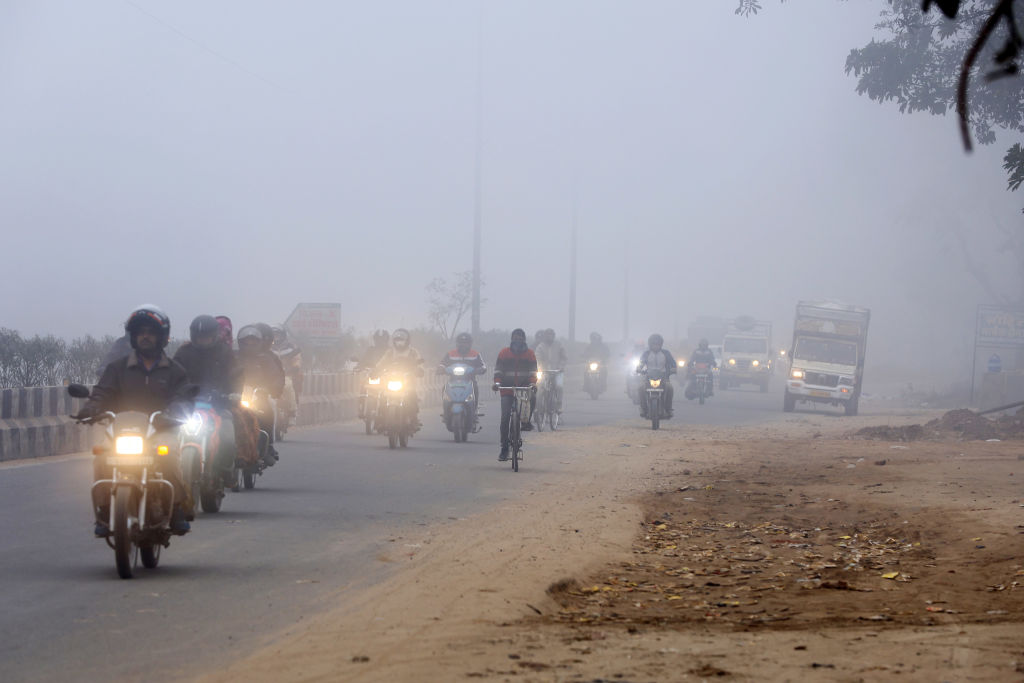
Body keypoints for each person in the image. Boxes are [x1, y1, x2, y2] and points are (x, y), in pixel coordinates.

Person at [75, 305, 193, 536]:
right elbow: (102, 392)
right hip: (123, 431)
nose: (145, 336)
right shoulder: (117, 368)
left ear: (162, 337)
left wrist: (175, 411)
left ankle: (177, 507)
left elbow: (184, 396)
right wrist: (91, 407)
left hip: (160, 429)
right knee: (101, 456)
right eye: (141, 332)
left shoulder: (175, 371)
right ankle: (105, 510)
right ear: (133, 336)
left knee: (167, 454)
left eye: (150, 332)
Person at [236, 324, 286, 464]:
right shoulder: (233, 357)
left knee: (268, 412)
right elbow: (223, 374)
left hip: (258, 397)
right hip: (235, 397)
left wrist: (271, 389)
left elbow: (276, 377)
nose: (250, 344)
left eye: (253, 341)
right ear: (240, 342)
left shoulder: (267, 358)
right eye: (247, 341)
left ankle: (268, 444)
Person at [492, 329, 537, 461]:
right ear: (512, 339)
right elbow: (498, 370)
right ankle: (504, 448)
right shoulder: (504, 353)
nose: (518, 340)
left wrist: (533, 384)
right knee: (505, 418)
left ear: (524, 339)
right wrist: (497, 383)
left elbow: (533, 371)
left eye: (520, 338)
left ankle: (526, 421)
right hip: (507, 389)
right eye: (515, 338)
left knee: (533, 398)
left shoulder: (530, 354)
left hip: (523, 389)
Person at [374, 328, 424, 427]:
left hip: (408, 382)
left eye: (401, 340)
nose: (399, 342)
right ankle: (380, 419)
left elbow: (419, 363)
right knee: (382, 397)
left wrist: (419, 370)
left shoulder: (413, 352)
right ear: (393, 341)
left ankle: (414, 418)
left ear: (407, 341)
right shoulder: (390, 352)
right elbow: (381, 362)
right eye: (397, 340)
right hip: (391, 380)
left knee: (412, 396)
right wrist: (375, 371)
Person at [437, 332, 487, 422]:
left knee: (475, 388)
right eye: (461, 342)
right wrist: (441, 368)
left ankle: (474, 410)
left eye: (465, 342)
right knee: (444, 388)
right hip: (453, 380)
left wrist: (481, 369)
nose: (463, 345)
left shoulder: (475, 354)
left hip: (470, 380)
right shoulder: (450, 354)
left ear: (470, 344)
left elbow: (482, 365)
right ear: (457, 343)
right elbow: (442, 363)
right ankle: (446, 411)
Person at [636, 333, 678, 418]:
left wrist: (673, 369)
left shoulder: (666, 353)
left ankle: (668, 409)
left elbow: (673, 363)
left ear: (661, 344)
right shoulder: (646, 354)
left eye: (657, 344)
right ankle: (643, 408)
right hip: (648, 377)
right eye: (654, 344)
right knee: (640, 388)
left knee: (669, 388)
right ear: (650, 345)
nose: (656, 346)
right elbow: (641, 363)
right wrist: (639, 368)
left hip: (664, 377)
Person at [534, 328, 567, 413]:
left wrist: (561, 366)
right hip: (544, 372)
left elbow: (564, 358)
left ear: (554, 336)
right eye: (548, 335)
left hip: (557, 371)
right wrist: (539, 368)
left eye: (551, 335)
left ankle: (559, 405)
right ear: (545, 336)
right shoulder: (540, 347)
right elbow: (537, 358)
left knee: (559, 386)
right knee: (539, 387)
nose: (549, 337)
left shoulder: (559, 345)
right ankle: (538, 406)